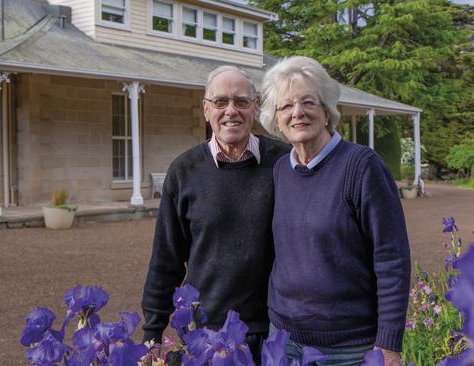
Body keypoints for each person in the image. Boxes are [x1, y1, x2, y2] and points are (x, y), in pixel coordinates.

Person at [259, 56, 411, 366]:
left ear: (327, 110)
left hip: (349, 348)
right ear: (276, 119)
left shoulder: (362, 167)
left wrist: (388, 344)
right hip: (285, 341)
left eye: (308, 102)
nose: (297, 113)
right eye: (286, 106)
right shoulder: (280, 172)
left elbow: (391, 258)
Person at [141, 65, 289, 361]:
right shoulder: (184, 172)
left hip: (275, 332)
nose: (231, 111)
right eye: (221, 102)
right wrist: (153, 332)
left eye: (241, 101)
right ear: (206, 110)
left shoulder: (284, 164)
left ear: (256, 107)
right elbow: (166, 258)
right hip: (208, 336)